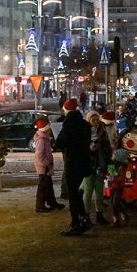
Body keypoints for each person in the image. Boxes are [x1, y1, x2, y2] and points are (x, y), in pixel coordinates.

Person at [55, 98, 91, 236]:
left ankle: (77, 223)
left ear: (66, 110)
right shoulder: (84, 124)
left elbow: (60, 142)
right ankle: (84, 219)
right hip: (83, 162)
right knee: (78, 193)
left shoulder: (68, 125)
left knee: (73, 195)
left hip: (72, 162)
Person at [81, 110, 110, 226]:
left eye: (97, 119)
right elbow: (80, 149)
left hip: (100, 164)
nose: (95, 121)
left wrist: (101, 147)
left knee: (99, 192)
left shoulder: (103, 132)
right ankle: (86, 215)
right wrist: (89, 148)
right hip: (88, 165)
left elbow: (108, 148)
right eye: (93, 119)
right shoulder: (84, 132)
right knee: (87, 192)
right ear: (89, 120)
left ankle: (99, 214)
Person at [33, 118, 64, 213]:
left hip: (45, 166)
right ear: (45, 129)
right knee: (43, 186)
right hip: (44, 166)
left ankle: (52, 202)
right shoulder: (41, 140)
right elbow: (39, 155)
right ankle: (40, 205)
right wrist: (47, 163)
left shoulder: (44, 138)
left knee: (48, 185)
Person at [106, 148, 129, 227]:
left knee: (115, 201)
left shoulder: (121, 167)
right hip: (113, 186)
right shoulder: (112, 164)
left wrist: (112, 177)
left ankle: (117, 219)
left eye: (114, 155)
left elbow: (119, 178)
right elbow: (110, 174)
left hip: (118, 186)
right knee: (113, 202)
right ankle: (120, 215)